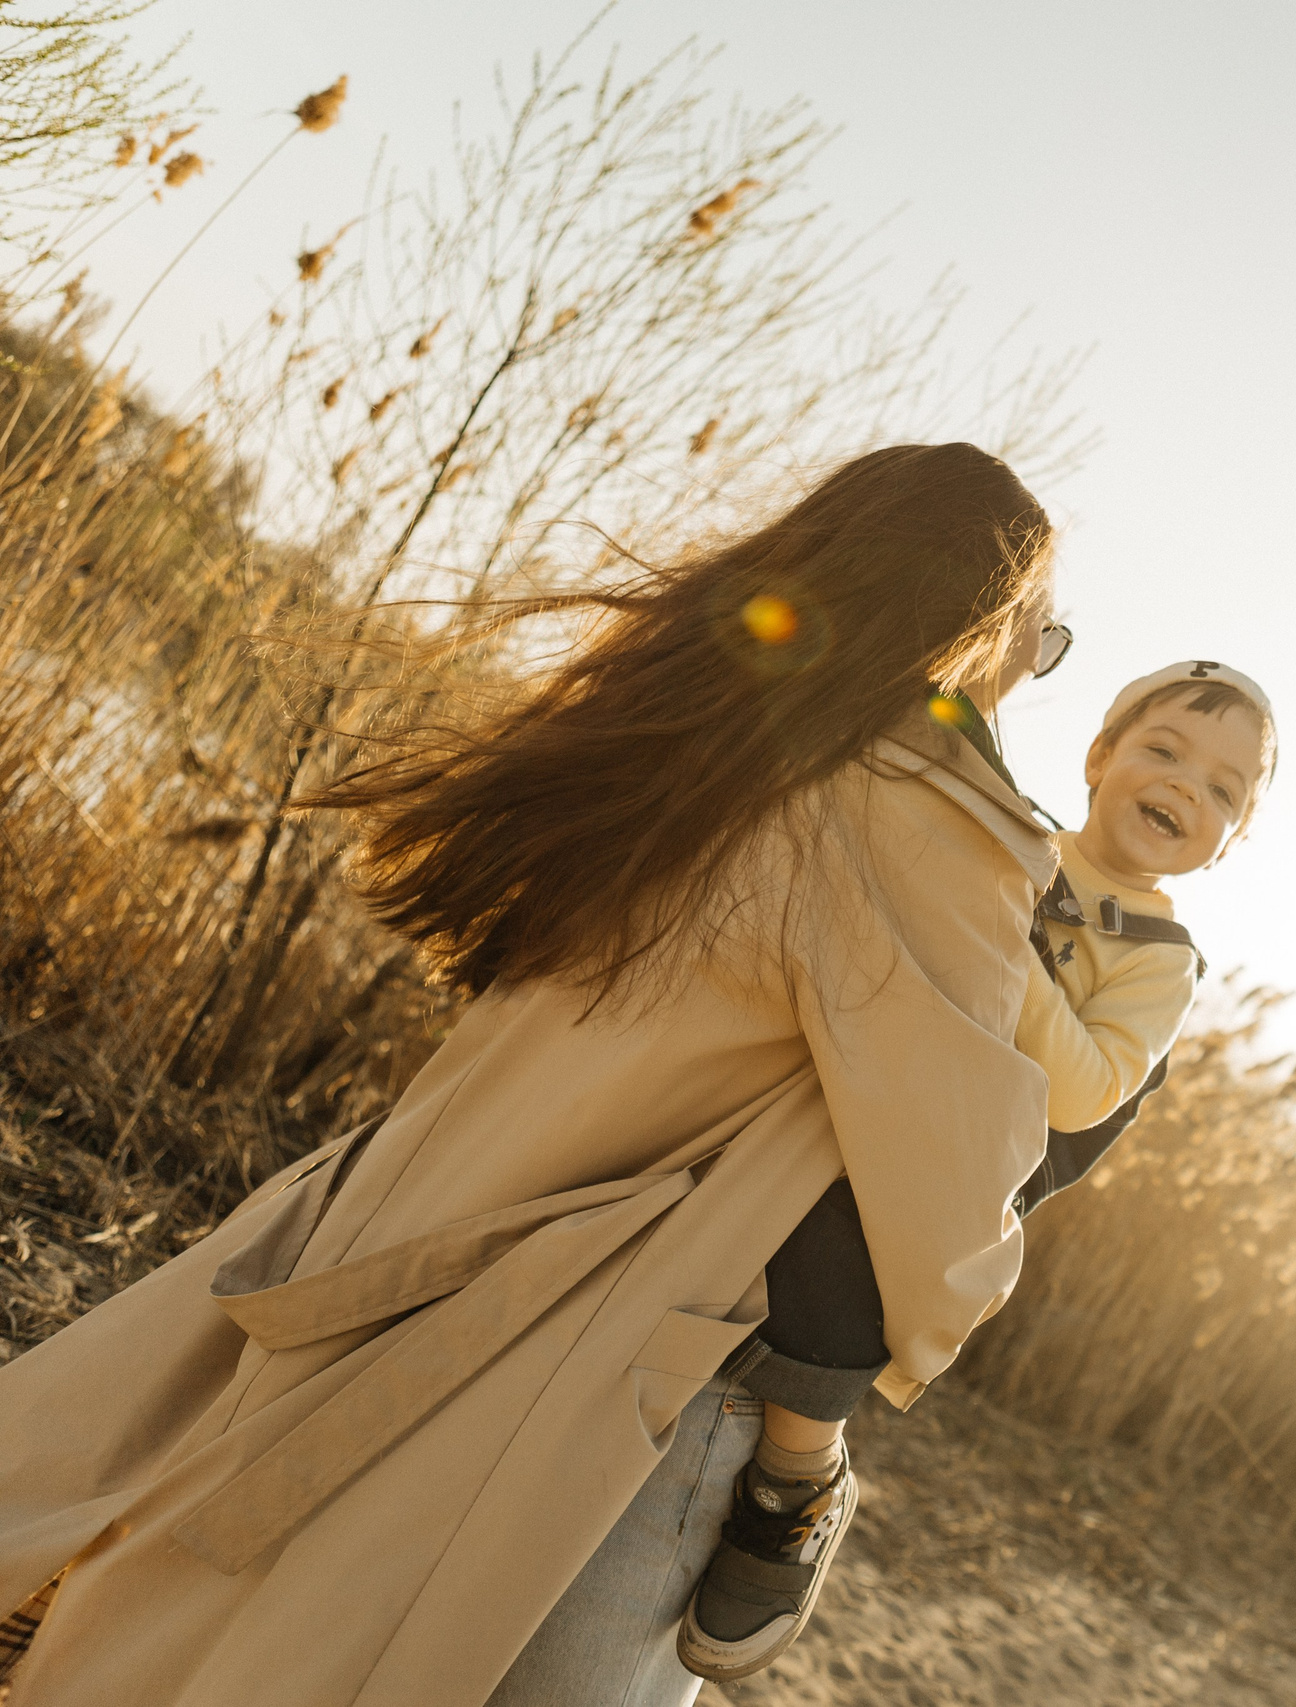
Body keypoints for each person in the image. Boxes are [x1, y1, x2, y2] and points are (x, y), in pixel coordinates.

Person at [0, 443, 1069, 1707]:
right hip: (608, 1337)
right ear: (980, 627)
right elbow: (945, 1200)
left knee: (212, 1622)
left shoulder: (689, 726)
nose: (1025, 679)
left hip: (391, 1234)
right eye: (1041, 644)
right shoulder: (924, 816)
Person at [678, 660, 1279, 1682]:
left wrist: (1010, 939)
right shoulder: (1010, 844)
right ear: (1099, 758)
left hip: (964, 1162)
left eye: (1224, 788)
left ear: (1233, 841)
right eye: (1164, 750)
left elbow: (1086, 1090)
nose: (1185, 785)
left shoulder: (1158, 959)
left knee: (848, 1251)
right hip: (870, 1075)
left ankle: (794, 1476)